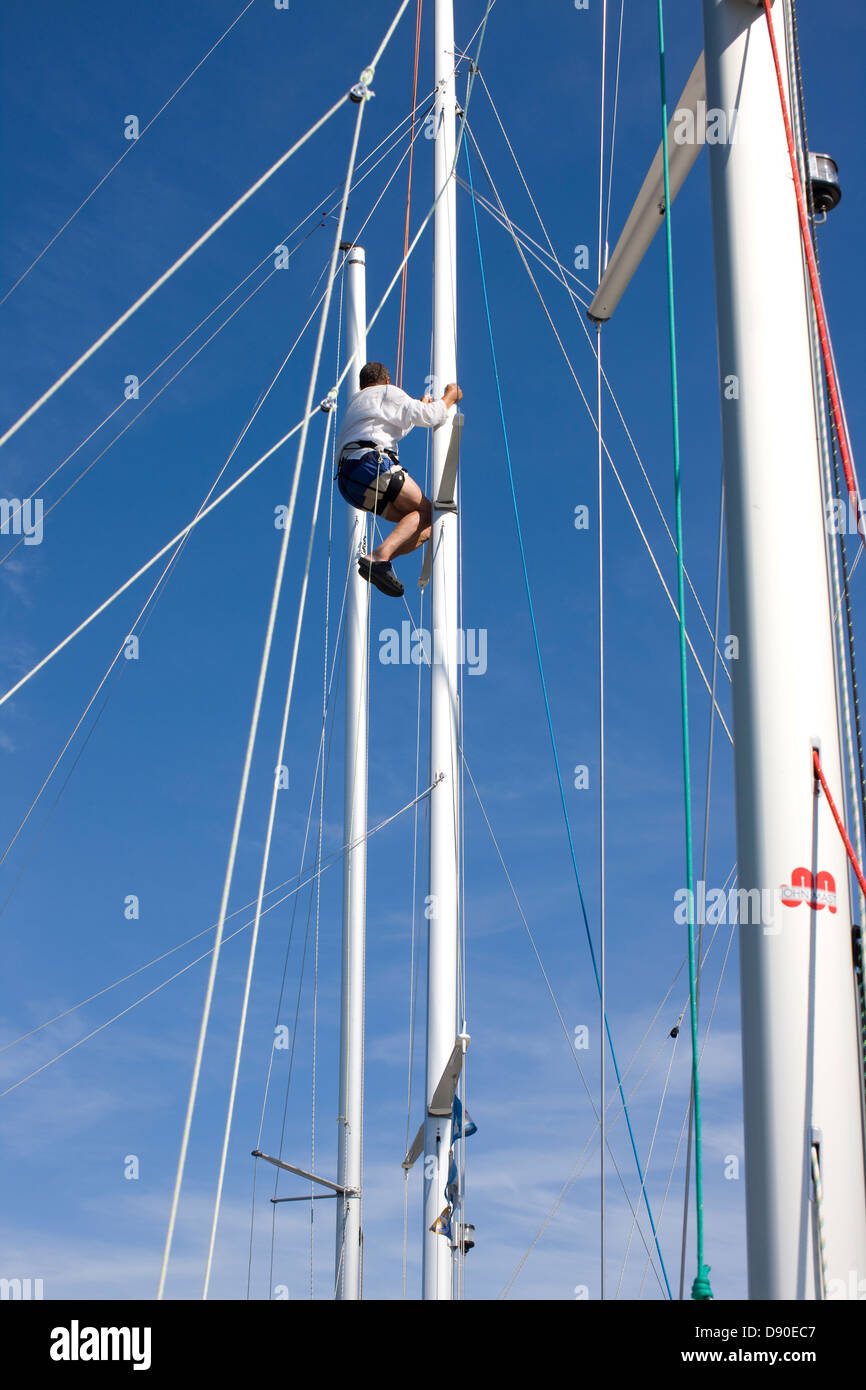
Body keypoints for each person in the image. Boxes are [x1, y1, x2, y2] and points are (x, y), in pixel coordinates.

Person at [335, 361, 462, 597]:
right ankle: (378, 557)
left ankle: (378, 560)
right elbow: (431, 416)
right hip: (371, 465)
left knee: (425, 525)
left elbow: (390, 427)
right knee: (429, 513)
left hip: (349, 481)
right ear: (386, 381)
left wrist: (418, 410)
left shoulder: (355, 403)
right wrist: (449, 397)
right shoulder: (387, 391)